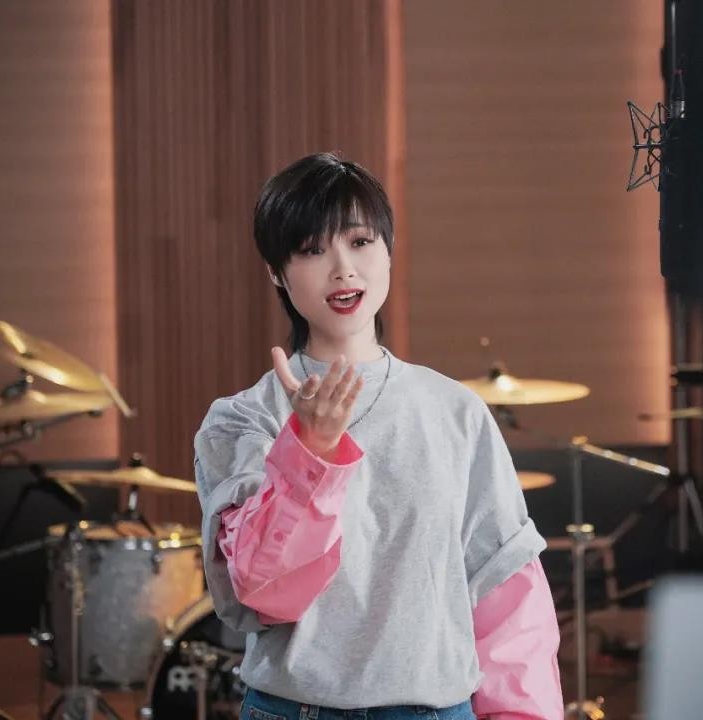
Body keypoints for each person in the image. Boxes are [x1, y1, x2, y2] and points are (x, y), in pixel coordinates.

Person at [194, 152, 563, 720]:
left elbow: (506, 594)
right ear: (276, 272)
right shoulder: (241, 420)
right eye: (312, 250)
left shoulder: (455, 411)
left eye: (361, 241)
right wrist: (310, 452)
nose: (343, 269)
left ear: (388, 250)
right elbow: (265, 595)